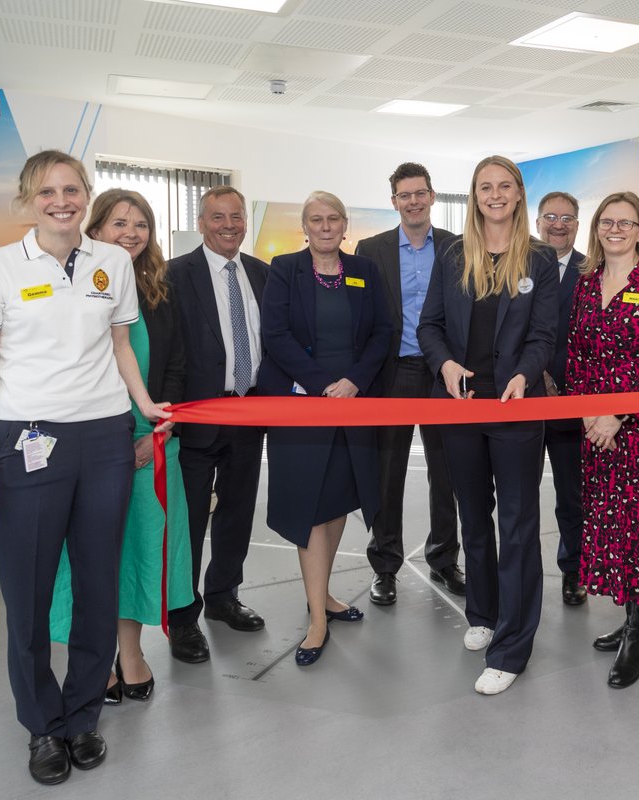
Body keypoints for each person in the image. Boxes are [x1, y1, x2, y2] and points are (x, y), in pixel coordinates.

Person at [0, 150, 170, 785]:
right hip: (27, 441)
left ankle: (80, 717)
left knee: (98, 586)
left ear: (86, 195)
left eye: (72, 189)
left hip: (103, 439)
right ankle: (42, 727)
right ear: (29, 199)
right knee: (28, 592)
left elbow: (121, 344)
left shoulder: (111, 263)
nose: (61, 200)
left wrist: (144, 405)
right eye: (46, 191)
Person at [417, 155, 558, 695]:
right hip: (460, 406)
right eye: (484, 187)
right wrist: (445, 364)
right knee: (472, 515)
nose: (494, 195)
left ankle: (513, 647)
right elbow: (429, 325)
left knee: (518, 526)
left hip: (515, 409)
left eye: (504, 186)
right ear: (474, 195)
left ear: (519, 194)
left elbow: (544, 336)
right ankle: (482, 612)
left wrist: (524, 375)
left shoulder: (540, 260)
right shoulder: (453, 255)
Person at [48, 190, 194, 705]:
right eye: (118, 223)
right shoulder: (72, 286)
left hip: (153, 442)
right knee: (87, 555)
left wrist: (158, 427)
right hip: (90, 440)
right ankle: (92, 656)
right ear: (94, 228)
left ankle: (129, 652)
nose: (131, 233)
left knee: (138, 549)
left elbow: (175, 362)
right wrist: (115, 443)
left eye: (141, 225)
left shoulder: (159, 289)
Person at [258, 192, 392, 666]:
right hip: (304, 409)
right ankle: (317, 620)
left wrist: (354, 382)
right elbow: (275, 336)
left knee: (336, 502)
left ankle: (323, 596)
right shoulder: (284, 268)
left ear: (345, 224)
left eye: (334, 218)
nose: (326, 225)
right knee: (310, 510)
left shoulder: (363, 270)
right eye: (317, 219)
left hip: (352, 405)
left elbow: (382, 332)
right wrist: (323, 386)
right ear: (305, 226)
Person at [566, 191, 639, 689]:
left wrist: (618, 413)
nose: (615, 229)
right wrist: (592, 413)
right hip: (597, 430)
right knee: (612, 523)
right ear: (597, 229)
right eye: (607, 222)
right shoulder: (585, 284)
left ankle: (637, 630)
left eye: (626, 222)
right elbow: (574, 354)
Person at [167, 186, 269, 663]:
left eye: (236, 217)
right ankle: (183, 616)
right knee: (187, 523)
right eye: (218, 217)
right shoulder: (174, 276)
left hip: (249, 415)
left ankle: (224, 594)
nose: (229, 225)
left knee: (236, 512)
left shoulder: (262, 275)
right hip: (197, 421)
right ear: (202, 222)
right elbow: (169, 353)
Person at [356, 163, 463, 606]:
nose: (413, 201)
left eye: (420, 193)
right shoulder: (371, 249)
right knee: (387, 473)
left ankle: (443, 558)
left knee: (447, 472)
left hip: (442, 374)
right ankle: (385, 565)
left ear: (433, 196)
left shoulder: (457, 247)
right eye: (405, 195)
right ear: (394, 201)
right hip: (394, 373)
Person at [535, 190, 586, 606]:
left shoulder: (593, 271)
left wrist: (565, 380)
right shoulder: (519, 263)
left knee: (572, 494)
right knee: (518, 494)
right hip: (526, 397)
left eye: (567, 218)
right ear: (537, 222)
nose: (558, 224)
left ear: (577, 224)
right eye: (550, 216)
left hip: (572, 401)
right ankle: (522, 572)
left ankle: (573, 570)